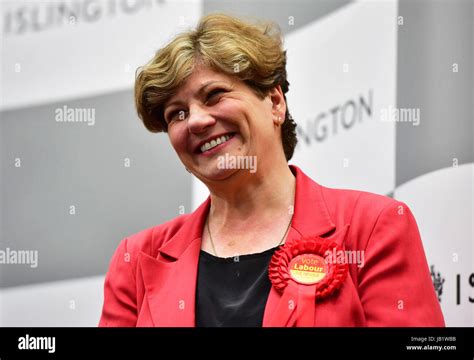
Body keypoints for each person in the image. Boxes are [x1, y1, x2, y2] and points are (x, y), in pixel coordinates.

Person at [99, 13, 444, 327]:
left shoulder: (372, 228)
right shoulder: (135, 260)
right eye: (177, 113)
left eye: (215, 95)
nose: (196, 122)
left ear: (275, 103)